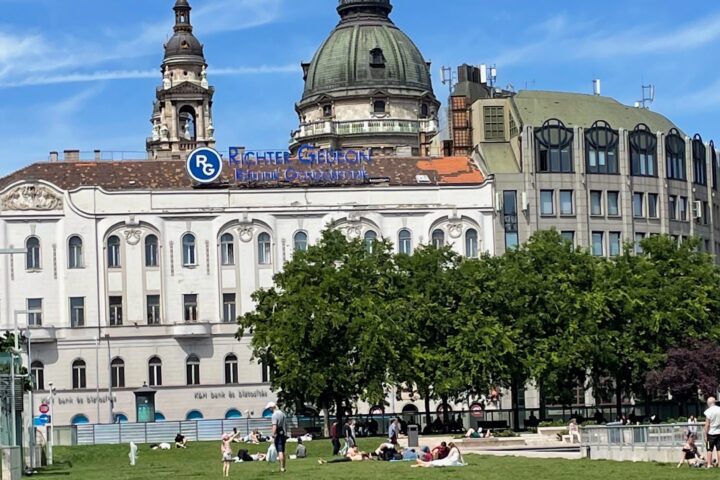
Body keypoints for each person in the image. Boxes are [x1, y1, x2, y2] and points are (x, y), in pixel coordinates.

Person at [267, 402, 288, 473]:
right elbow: (286, 424)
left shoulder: (274, 415)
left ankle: (281, 467)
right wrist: (286, 433)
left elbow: (274, 425)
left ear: (272, 407)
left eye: (269, 408)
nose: (269, 409)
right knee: (283, 450)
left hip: (278, 434)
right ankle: (283, 467)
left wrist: (273, 435)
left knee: (280, 451)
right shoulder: (282, 413)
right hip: (283, 433)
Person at [705, 397, 720, 469]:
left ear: (709, 403)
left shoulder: (708, 411)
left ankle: (709, 464)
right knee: (719, 449)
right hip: (719, 432)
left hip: (710, 433)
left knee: (709, 449)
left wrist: (705, 434)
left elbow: (707, 424)